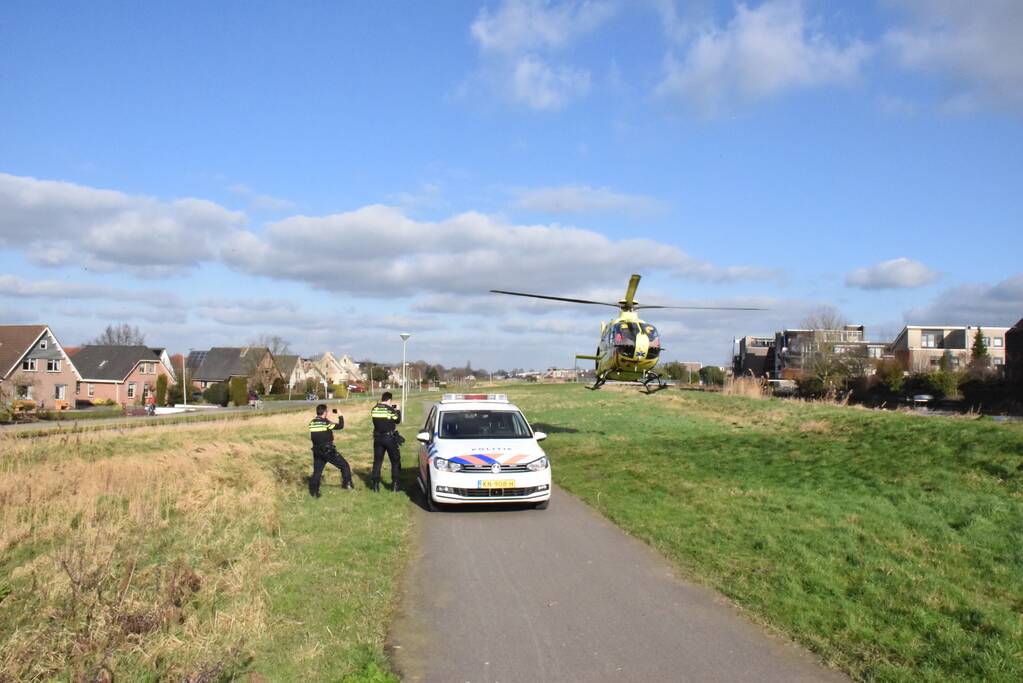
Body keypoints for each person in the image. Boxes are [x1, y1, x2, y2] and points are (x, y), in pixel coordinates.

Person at [308, 403, 353, 497]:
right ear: (324, 412)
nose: (328, 413)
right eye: (327, 411)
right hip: (328, 451)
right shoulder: (326, 423)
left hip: (317, 451)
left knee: (317, 471)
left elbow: (321, 428)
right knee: (344, 465)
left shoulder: (312, 423)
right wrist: (340, 415)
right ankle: (348, 485)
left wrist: (326, 418)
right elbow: (340, 426)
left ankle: (314, 492)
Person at [370, 391, 402, 492]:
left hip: (377, 438)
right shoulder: (390, 410)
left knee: (378, 461)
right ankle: (395, 485)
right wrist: (398, 410)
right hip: (389, 438)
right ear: (389, 400)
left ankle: (375, 485)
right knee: (395, 461)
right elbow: (397, 420)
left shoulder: (374, 409)